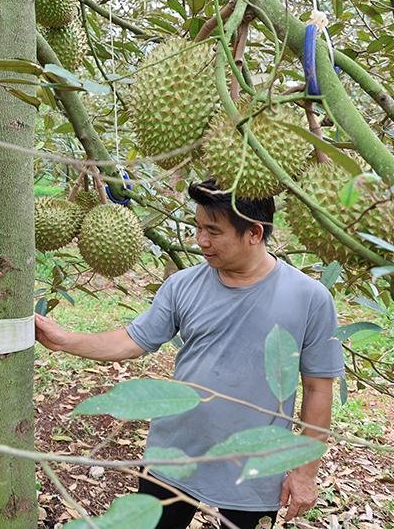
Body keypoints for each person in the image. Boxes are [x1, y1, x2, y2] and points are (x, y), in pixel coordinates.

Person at [34, 179, 345, 529]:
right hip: (173, 456)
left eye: (213, 231)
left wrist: (306, 473)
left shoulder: (310, 298)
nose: (201, 241)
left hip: (253, 469)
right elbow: (131, 340)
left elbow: (319, 389)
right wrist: (64, 340)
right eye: (197, 228)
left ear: (254, 233)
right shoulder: (182, 285)